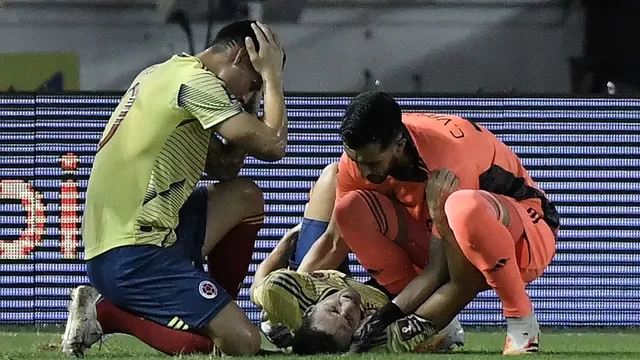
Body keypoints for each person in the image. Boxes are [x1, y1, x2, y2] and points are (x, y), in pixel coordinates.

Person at [61, 20, 287, 357]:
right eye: (252, 83)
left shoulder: (164, 73)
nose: (249, 94)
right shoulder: (195, 84)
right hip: (131, 254)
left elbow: (225, 166)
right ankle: (104, 312)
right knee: (243, 343)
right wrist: (272, 77)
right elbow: (273, 145)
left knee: (244, 197)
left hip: (135, 239)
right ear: (240, 57)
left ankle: (213, 310)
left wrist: (252, 100)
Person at [303, 91, 559, 355]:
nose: (364, 172)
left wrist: (387, 318)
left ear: (398, 147)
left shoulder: (449, 159)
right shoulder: (360, 158)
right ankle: (440, 326)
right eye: (356, 161)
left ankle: (521, 321)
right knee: (349, 211)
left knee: (462, 207)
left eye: (371, 163)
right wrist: (292, 297)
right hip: (452, 242)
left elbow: (452, 275)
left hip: (525, 238)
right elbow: (334, 241)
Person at [250, 218, 464, 355]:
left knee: (332, 178)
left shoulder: (284, 291)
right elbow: (458, 287)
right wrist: (440, 221)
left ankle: (274, 324)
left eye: (333, 309)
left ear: (309, 310)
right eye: (350, 320)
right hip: (389, 293)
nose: (347, 307)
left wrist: (287, 240)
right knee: (445, 325)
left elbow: (256, 288)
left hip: (321, 275)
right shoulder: (381, 338)